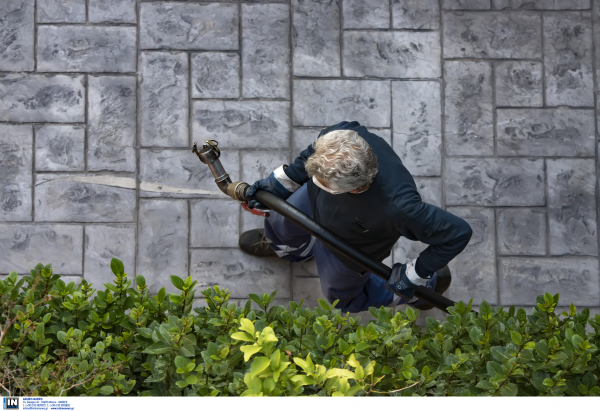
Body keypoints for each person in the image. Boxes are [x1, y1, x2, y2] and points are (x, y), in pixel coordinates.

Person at [239, 121, 472, 312]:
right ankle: (294, 251)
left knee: (343, 300)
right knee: (279, 223)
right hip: (312, 204)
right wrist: (280, 183)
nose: (312, 177)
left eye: (322, 182)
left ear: (353, 189)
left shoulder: (401, 207)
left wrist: (416, 274)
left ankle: (424, 290)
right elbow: (311, 157)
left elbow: (457, 234)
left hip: (349, 249)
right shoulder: (341, 136)